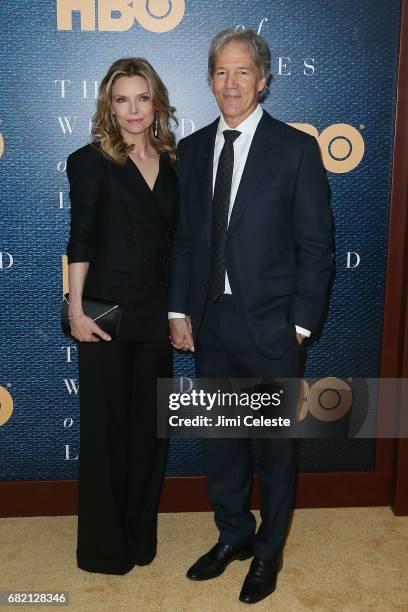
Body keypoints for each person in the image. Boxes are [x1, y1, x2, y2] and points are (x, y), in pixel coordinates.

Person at [169, 29, 333, 604]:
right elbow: (185, 242)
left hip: (271, 329)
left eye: (243, 72)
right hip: (210, 322)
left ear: (262, 79)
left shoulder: (294, 149)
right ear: (210, 80)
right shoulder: (191, 152)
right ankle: (234, 535)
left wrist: (299, 325)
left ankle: (269, 551)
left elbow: (316, 246)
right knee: (222, 441)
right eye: (221, 72)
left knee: (275, 448)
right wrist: (178, 311)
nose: (231, 83)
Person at [66, 58, 178, 575]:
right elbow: (82, 240)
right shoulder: (91, 161)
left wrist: (182, 314)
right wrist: (74, 310)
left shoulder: (178, 162)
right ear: (108, 107)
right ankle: (103, 549)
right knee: (107, 433)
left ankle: (139, 536)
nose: (133, 110)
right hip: (105, 318)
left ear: (156, 100)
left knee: (150, 433)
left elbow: (182, 247)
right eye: (121, 99)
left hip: (156, 318)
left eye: (141, 97)